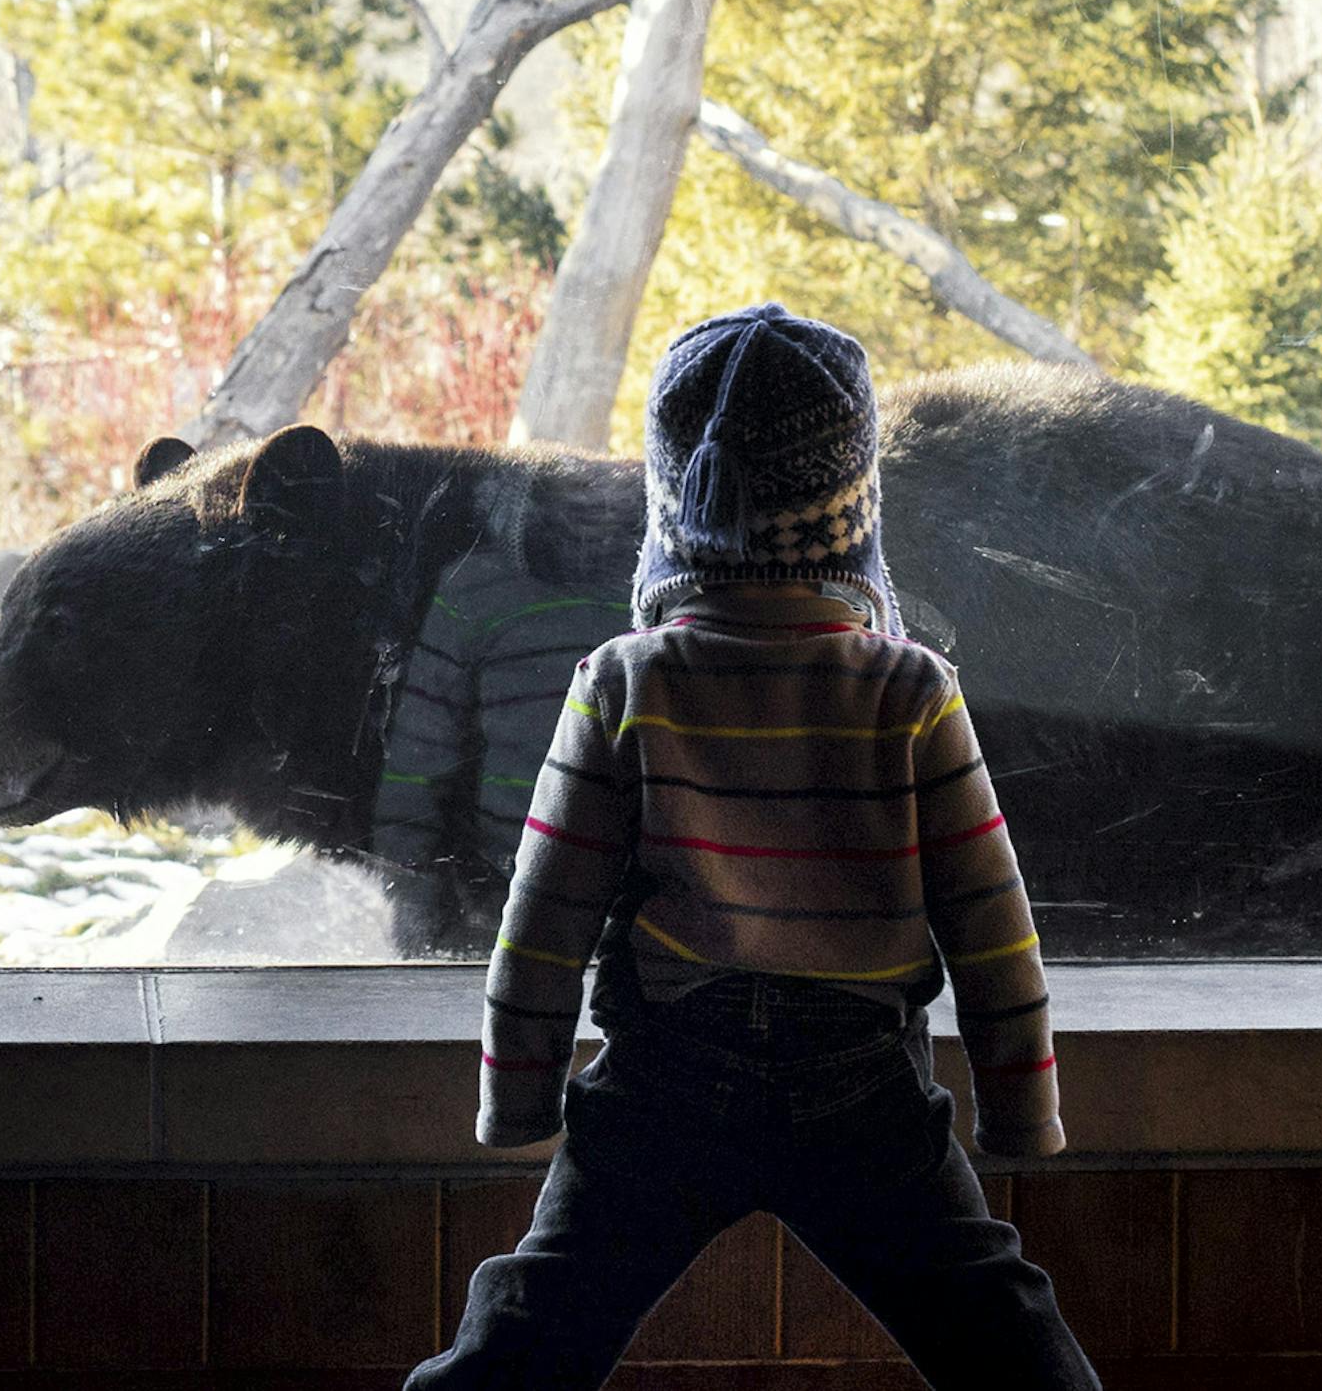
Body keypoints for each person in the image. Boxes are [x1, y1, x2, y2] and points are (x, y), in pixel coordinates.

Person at [409, 302, 1100, 1390]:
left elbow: (541, 919)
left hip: (665, 1084)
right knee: (1000, 1331)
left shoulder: (624, 680)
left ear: (672, 504)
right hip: (861, 1089)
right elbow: (993, 929)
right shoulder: (912, 690)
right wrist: (1022, 1111)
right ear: (854, 507)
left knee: (531, 1328)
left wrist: (520, 1094)